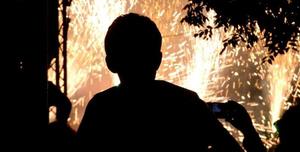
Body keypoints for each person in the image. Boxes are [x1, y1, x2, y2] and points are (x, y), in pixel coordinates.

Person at [76, 13, 243, 151]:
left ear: (111, 63)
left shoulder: (101, 108)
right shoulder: (187, 103)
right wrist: (248, 132)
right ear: (158, 60)